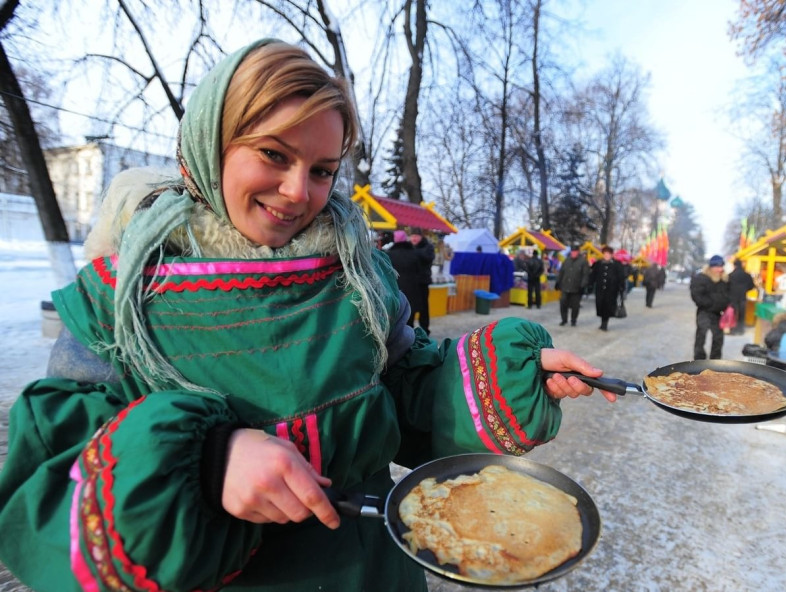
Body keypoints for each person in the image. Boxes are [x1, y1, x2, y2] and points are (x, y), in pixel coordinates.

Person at [0, 39, 617, 592]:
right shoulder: (123, 296)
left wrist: (509, 378)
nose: (299, 190)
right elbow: (51, 479)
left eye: (322, 170)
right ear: (208, 146)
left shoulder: (353, 276)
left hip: (377, 571)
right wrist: (205, 459)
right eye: (273, 154)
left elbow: (402, 389)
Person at [690, 254, 731, 359]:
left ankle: (715, 361)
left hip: (718, 314)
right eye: (717, 266)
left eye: (721, 266)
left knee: (718, 338)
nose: (720, 269)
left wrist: (725, 305)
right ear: (711, 267)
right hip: (704, 311)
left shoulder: (724, 280)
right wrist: (710, 304)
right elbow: (697, 295)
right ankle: (699, 360)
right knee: (701, 335)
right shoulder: (701, 278)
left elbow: (727, 295)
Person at [387, 229, 425, 331]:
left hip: (396, 290)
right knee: (410, 319)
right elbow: (419, 270)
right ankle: (410, 340)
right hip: (413, 289)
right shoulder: (414, 253)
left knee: (396, 320)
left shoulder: (389, 254)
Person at [590, 246, 627, 331]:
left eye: (608, 254)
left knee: (608, 306)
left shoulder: (617, 264)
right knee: (600, 305)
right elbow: (593, 275)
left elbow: (621, 277)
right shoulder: (598, 264)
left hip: (612, 290)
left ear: (611, 255)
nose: (606, 256)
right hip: (600, 290)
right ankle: (603, 322)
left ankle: (604, 324)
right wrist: (590, 284)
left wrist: (621, 287)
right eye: (605, 254)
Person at [408, 227, 435, 335]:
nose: (414, 238)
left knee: (424, 307)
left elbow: (428, 257)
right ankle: (409, 329)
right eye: (412, 236)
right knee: (410, 307)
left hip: (423, 282)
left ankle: (424, 330)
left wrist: (414, 253)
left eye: (416, 236)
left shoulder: (428, 247)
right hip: (411, 283)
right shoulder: (408, 247)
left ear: (421, 237)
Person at [556, 245, 590, 326]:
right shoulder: (566, 261)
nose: (573, 253)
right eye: (572, 251)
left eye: (575, 251)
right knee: (563, 303)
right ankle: (564, 319)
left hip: (576, 287)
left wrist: (583, 285)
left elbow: (586, 274)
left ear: (578, 252)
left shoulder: (583, 262)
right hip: (565, 286)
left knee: (575, 305)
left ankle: (573, 320)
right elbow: (561, 272)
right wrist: (558, 282)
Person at [728, 259, 755, 335]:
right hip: (743, 297)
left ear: (734, 265)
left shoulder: (731, 275)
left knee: (733, 314)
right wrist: (745, 289)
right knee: (742, 314)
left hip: (732, 297)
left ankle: (732, 329)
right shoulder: (747, 275)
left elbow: (727, 286)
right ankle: (740, 329)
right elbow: (752, 286)